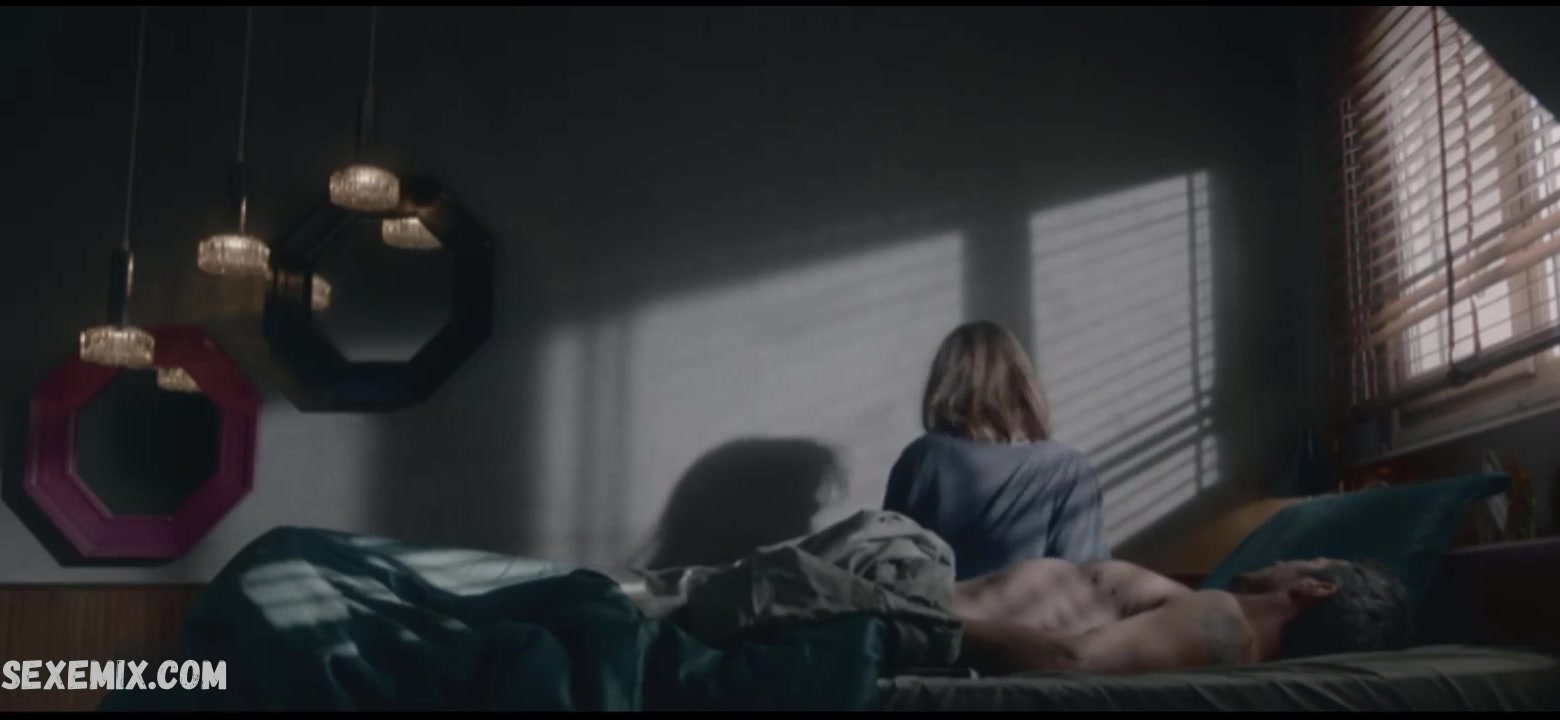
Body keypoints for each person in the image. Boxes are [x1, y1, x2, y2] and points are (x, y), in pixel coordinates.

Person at [884, 320, 1108, 580]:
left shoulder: (921, 459)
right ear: (1022, 383)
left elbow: (885, 574)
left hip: (937, 606)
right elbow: (1088, 585)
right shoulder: (1065, 469)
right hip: (1032, 607)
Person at [953, 556, 1414, 676]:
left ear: (1314, 588)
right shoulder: (1217, 620)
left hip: (930, 610)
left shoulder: (1226, 625)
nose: (1283, 559)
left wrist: (923, 623)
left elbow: (1073, 661)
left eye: (1307, 560)